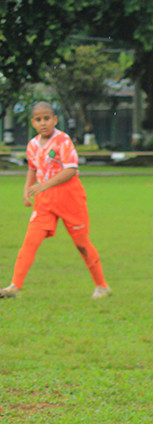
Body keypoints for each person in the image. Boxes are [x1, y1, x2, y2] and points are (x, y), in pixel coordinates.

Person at [1, 102, 110, 300]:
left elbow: (71, 169)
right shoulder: (33, 145)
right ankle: (14, 287)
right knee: (30, 241)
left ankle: (102, 286)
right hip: (45, 200)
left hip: (69, 196)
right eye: (39, 119)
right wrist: (27, 190)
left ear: (55, 119)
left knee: (81, 243)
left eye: (47, 118)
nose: (43, 123)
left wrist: (44, 185)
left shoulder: (63, 141)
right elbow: (33, 169)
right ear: (33, 122)